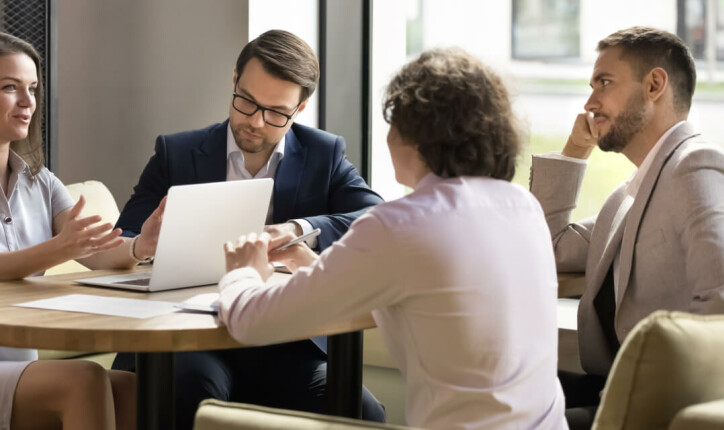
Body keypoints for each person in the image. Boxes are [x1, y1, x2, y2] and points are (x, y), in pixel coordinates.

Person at [219, 48, 568, 429]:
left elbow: (251, 324)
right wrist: (321, 270)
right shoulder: (523, 208)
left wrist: (243, 271)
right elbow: (431, 299)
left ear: (413, 135)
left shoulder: (402, 223)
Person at [111, 29, 384, 429]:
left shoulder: (324, 153)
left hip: (284, 339)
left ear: (301, 107)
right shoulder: (178, 152)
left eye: (276, 112)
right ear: (234, 78)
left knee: (364, 411)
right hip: (190, 334)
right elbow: (126, 238)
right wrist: (143, 244)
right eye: (247, 102)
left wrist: (295, 229)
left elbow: (374, 219)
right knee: (191, 388)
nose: (255, 121)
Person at [0, 31, 164, 430]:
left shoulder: (40, 182)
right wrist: (57, 250)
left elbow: (95, 251)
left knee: (130, 388)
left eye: (32, 89)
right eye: (10, 88)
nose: (27, 103)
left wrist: (138, 246)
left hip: (19, 371)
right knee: (84, 380)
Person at [529, 26, 724, 428]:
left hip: (658, 402)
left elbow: (719, 299)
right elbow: (547, 247)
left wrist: (651, 391)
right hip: (607, 385)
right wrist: (576, 149)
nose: (589, 103)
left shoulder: (696, 163)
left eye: (604, 83)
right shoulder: (626, 195)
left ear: (654, 84)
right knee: (493, 393)